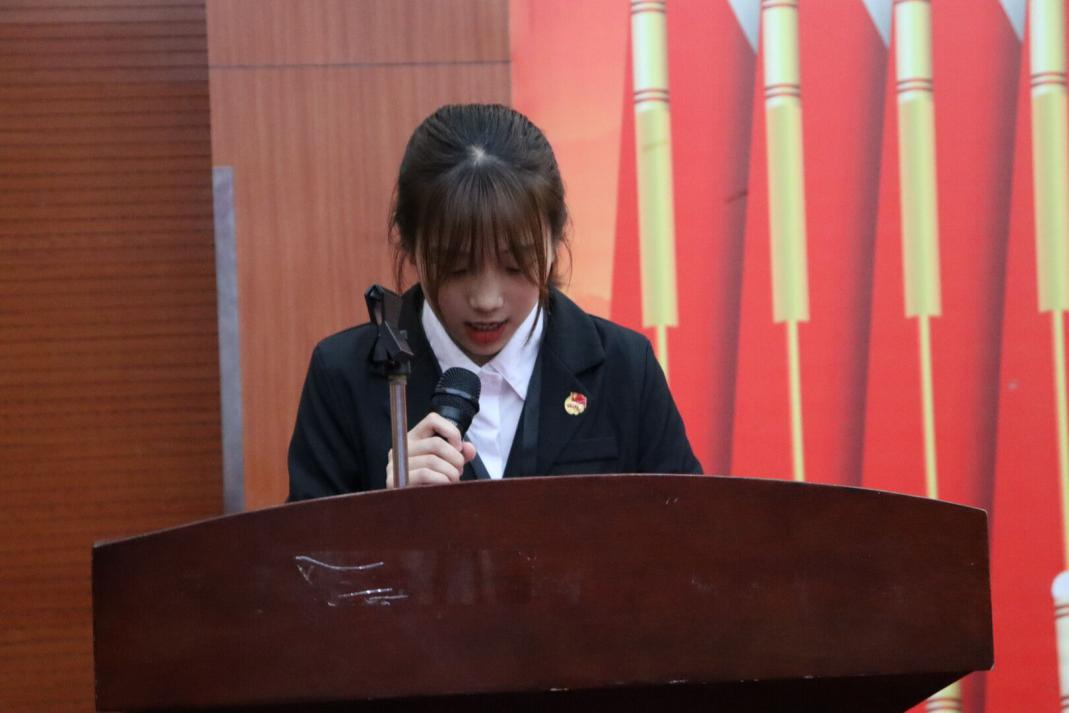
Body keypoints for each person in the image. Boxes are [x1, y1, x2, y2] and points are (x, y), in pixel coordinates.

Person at [287, 103, 701, 501]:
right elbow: (304, 548)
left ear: (556, 238)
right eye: (456, 267)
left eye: (515, 265)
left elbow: (689, 533)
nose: (486, 300)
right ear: (410, 245)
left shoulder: (624, 366)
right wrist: (380, 510)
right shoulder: (343, 375)